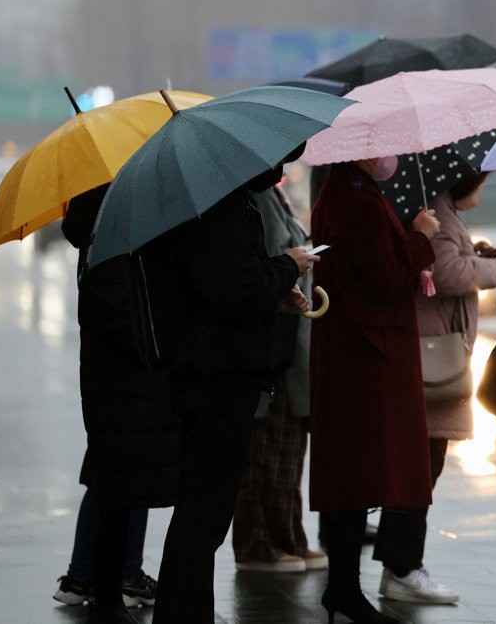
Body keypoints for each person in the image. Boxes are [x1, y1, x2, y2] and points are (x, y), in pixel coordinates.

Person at [151, 146, 318, 624]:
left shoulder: (221, 201)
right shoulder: (221, 208)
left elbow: (232, 286)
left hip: (216, 372)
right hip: (217, 378)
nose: (282, 172)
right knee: (203, 511)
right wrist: (287, 266)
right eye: (278, 161)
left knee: (202, 512)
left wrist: (274, 293)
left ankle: (186, 610)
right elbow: (232, 287)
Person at [309, 156, 440, 624]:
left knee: (353, 472)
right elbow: (384, 280)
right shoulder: (357, 200)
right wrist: (421, 237)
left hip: (354, 350)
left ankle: (342, 587)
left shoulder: (339, 192)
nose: (392, 156)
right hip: (367, 354)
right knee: (360, 473)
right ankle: (344, 589)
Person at [372, 172, 496, 604]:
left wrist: (474, 255)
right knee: (423, 464)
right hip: (433, 355)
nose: (483, 191)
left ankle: (400, 564)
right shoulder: (437, 211)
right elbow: (446, 273)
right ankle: (403, 568)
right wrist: (492, 268)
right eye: (483, 181)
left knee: (421, 463)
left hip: (431, 346)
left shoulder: (438, 209)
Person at [59, 183, 179, 623]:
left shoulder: (106, 244)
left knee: (119, 483)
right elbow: (128, 321)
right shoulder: (111, 248)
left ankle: (103, 583)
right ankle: (106, 595)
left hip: (120, 386)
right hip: (124, 385)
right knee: (117, 486)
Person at [231, 185, 327, 573]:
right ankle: (260, 544)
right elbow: (269, 264)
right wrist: (293, 263)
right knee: (265, 446)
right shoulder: (253, 199)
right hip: (273, 341)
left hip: (289, 337)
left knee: (286, 444)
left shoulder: (270, 195)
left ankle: (287, 536)